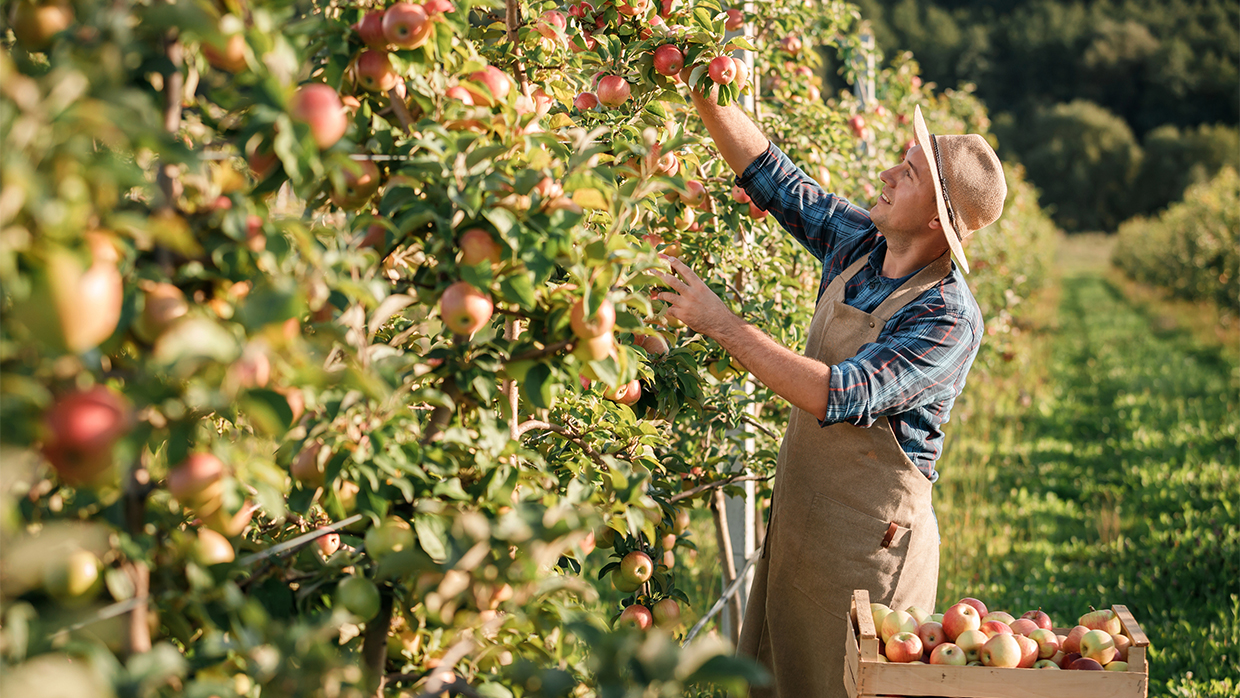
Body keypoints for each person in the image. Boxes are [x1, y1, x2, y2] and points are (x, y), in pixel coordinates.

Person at [652, 89, 1008, 697]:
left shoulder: (946, 315)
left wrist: (720, 322)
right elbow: (775, 178)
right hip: (799, 528)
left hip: (868, 555)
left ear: (935, 219)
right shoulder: (864, 244)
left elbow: (841, 393)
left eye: (909, 171)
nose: (887, 174)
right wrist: (702, 84)